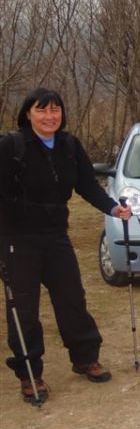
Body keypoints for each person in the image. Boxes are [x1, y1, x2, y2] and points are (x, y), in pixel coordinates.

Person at [0, 88, 132, 402]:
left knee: (72, 297)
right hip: (17, 239)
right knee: (24, 309)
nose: (49, 117)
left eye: (55, 110)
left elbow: (87, 185)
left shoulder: (69, 146)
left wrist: (113, 208)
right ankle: (30, 373)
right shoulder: (11, 146)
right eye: (42, 110)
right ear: (28, 113)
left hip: (56, 235)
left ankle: (85, 357)